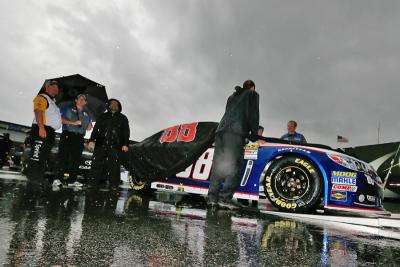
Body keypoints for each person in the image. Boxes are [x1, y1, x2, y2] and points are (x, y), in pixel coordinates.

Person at [207, 80, 259, 209]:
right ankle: (225, 198)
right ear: (252, 87)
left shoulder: (232, 96)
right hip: (235, 132)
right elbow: (253, 114)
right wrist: (254, 132)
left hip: (221, 131)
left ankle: (212, 198)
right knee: (235, 164)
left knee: (219, 164)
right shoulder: (252, 94)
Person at [88, 98, 130, 188]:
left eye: (116, 104)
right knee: (96, 164)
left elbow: (126, 132)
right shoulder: (102, 116)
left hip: (116, 145)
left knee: (114, 166)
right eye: (112, 104)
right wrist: (91, 140)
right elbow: (96, 129)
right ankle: (92, 183)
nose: (114, 105)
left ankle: (114, 185)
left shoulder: (123, 118)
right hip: (101, 143)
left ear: (118, 106)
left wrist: (125, 144)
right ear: (109, 106)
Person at [53, 94, 93, 187]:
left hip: (79, 138)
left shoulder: (87, 114)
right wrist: (73, 123)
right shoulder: (67, 108)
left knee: (76, 159)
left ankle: (72, 180)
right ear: (76, 100)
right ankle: (57, 178)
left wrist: (89, 127)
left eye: (84, 99)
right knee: (63, 156)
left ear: (86, 102)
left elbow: (88, 127)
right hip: (68, 135)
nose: (82, 100)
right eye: (80, 98)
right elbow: (61, 119)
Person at [26, 80, 62, 183]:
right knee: (37, 154)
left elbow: (57, 118)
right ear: (47, 87)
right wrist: (41, 127)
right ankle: (33, 178)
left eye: (57, 88)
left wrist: (73, 123)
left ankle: (38, 177)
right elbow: (38, 111)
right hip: (42, 128)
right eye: (53, 87)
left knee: (44, 155)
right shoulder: (42, 97)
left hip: (50, 131)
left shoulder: (53, 102)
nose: (56, 89)